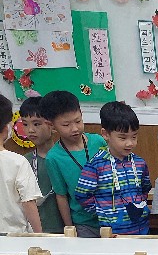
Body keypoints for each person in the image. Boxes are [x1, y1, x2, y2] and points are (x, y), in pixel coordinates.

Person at [74, 101, 151, 236]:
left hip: (141, 230)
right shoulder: (96, 165)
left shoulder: (139, 163)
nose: (130, 143)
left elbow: (145, 188)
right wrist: (103, 212)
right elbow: (82, 195)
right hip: (111, 234)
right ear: (105, 134)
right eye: (123, 137)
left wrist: (140, 204)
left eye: (134, 137)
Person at [41, 90, 106, 236]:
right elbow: (61, 195)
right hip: (84, 223)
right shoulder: (54, 157)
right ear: (51, 125)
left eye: (78, 121)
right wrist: (70, 228)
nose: (75, 129)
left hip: (110, 217)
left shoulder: (98, 141)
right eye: (66, 125)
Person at [19, 96, 63, 234]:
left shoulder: (64, 157)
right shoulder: (24, 161)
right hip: (37, 231)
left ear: (52, 125)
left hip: (66, 229)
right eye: (25, 124)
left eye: (36, 124)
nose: (30, 130)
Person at [0, 94, 42, 234]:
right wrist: (40, 235)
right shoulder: (18, 162)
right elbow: (28, 202)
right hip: (15, 237)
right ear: (7, 128)